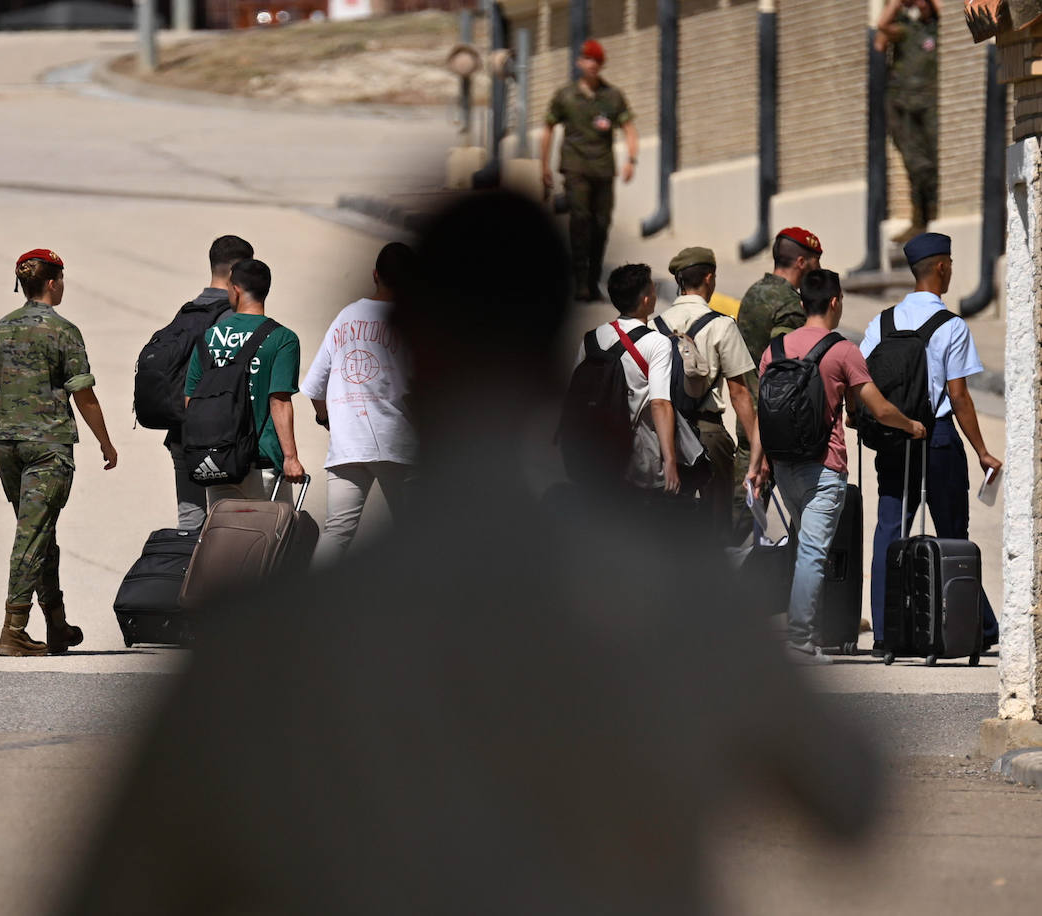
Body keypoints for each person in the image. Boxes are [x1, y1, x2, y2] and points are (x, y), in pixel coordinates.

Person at [62, 192, 879, 916]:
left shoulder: (264, 642)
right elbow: (851, 799)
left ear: (410, 342)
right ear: (552, 351)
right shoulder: (671, 598)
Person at [747, 270, 925, 662]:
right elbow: (877, 407)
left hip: (785, 469)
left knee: (803, 550)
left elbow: (763, 413)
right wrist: (911, 425)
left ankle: (802, 633)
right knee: (813, 554)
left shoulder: (774, 351)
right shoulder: (843, 351)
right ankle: (799, 638)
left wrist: (757, 466)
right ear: (834, 301)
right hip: (824, 470)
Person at [0, 249, 118, 658]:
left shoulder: (0, 330)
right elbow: (83, 393)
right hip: (47, 448)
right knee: (32, 534)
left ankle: (56, 624)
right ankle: (15, 629)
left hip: (5, 445)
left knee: (40, 530)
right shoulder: (63, 330)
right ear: (52, 283)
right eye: (63, 280)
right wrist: (105, 441)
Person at [859, 232, 1001, 654]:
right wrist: (981, 450)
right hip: (937, 438)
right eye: (951, 264)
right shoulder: (952, 326)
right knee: (953, 534)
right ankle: (975, 628)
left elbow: (864, 380)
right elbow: (958, 395)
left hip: (895, 437)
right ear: (941, 267)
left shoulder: (881, 322)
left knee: (889, 530)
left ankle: (886, 633)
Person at [299, 243, 416, 565]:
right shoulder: (409, 321)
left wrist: (327, 420)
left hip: (348, 444)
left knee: (337, 532)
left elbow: (315, 386)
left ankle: (310, 606)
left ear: (375, 274)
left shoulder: (346, 316)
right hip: (399, 443)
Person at [651, 246, 759, 544]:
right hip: (708, 435)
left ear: (680, 281)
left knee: (668, 522)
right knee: (715, 527)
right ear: (709, 278)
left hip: (664, 433)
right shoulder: (722, 325)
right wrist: (756, 452)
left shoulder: (654, 327)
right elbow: (739, 393)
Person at [184, 258, 304, 504]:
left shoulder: (209, 337)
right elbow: (279, 401)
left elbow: (191, 401)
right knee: (271, 538)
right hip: (262, 460)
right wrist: (290, 458)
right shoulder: (282, 338)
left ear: (235, 290)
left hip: (218, 460)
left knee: (225, 536)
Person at [162, 235, 253, 531]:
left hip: (182, 432)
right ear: (237, 270)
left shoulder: (187, 311)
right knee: (229, 525)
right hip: (221, 438)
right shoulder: (232, 318)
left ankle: (186, 575)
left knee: (190, 523)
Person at [733, 227, 821, 531]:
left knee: (740, 516)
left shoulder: (754, 292)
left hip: (749, 419)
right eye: (814, 262)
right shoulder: (788, 305)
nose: (817, 269)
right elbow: (782, 377)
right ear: (800, 262)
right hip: (770, 426)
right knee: (751, 522)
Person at [540, 38, 639, 303]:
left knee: (601, 225)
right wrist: (543, 165)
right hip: (575, 168)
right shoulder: (566, 96)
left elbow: (629, 128)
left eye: (597, 60)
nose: (593, 64)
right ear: (580, 62)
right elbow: (548, 129)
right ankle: (581, 281)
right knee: (580, 220)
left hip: (603, 170)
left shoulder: (612, 96)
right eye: (588, 59)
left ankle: (594, 279)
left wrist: (631, 159)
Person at [579, 262, 680, 500]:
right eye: (653, 288)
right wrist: (671, 461)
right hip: (638, 460)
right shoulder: (657, 343)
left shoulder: (592, 338)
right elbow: (660, 404)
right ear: (646, 299)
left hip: (594, 453)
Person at [876, 0, 940, 242]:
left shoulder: (936, 29)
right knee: (914, 163)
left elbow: (947, 17)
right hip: (903, 105)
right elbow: (881, 28)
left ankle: (934, 215)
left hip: (930, 105)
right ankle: (919, 220)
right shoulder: (907, 29)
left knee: (933, 162)